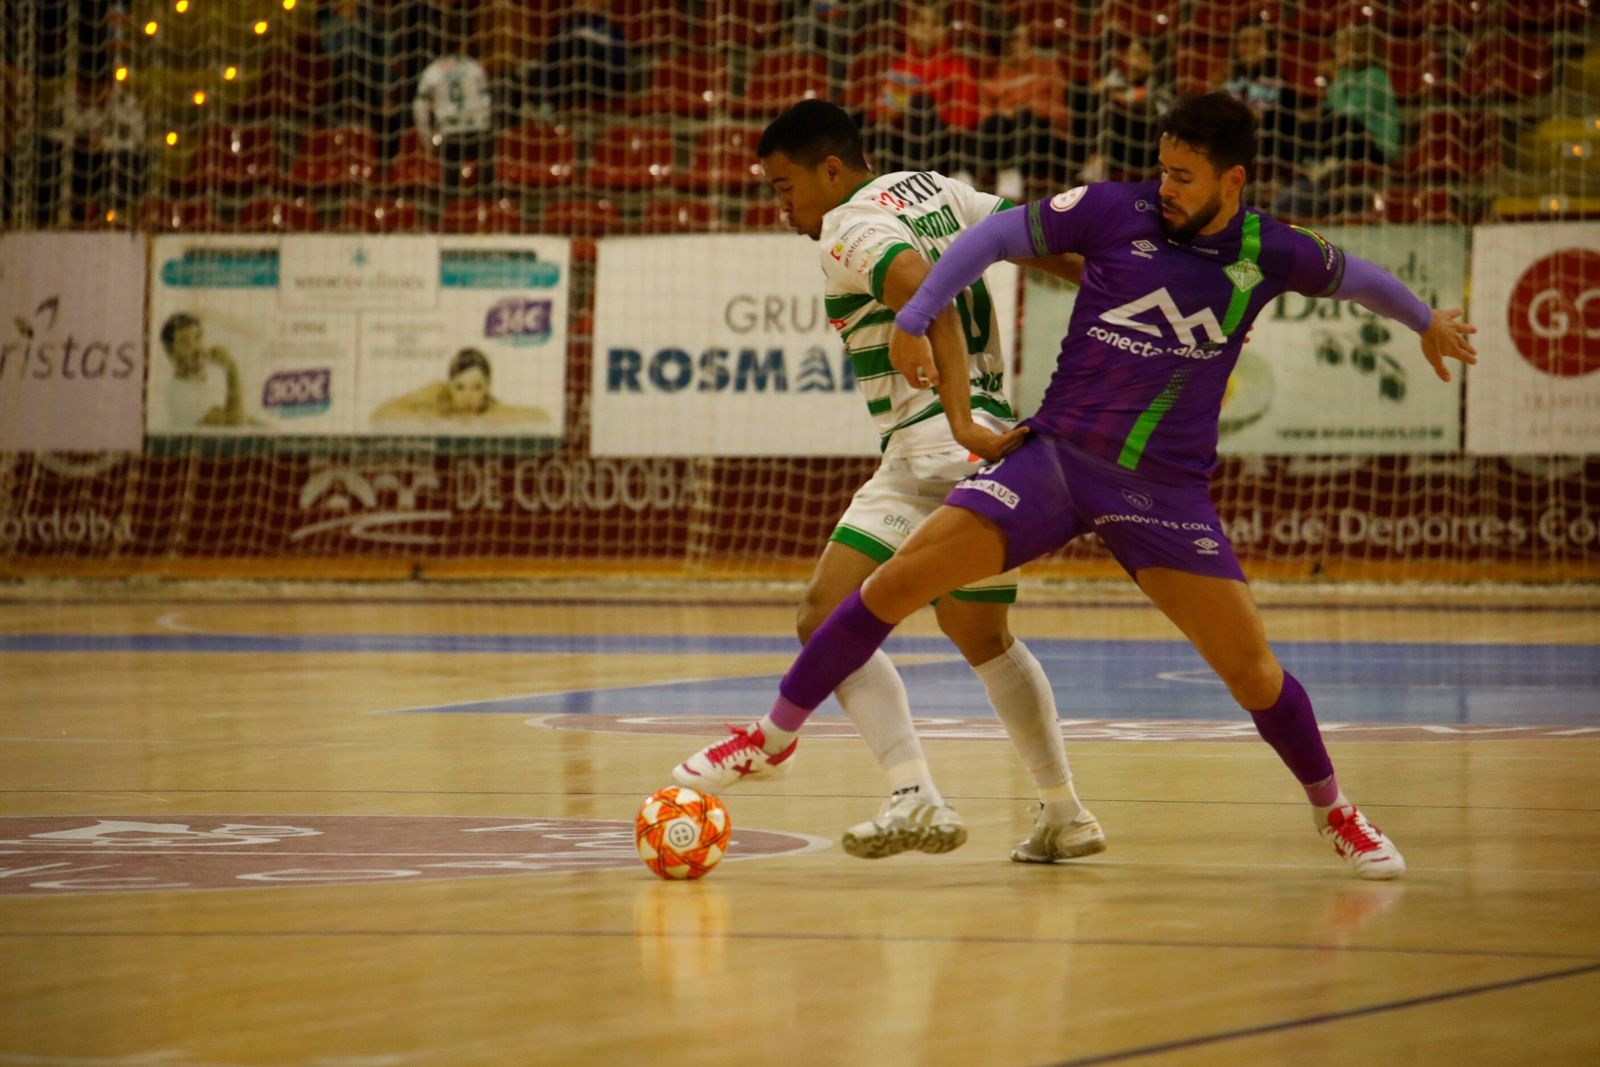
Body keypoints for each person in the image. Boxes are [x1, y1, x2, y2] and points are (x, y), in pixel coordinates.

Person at [677, 92, 1479, 879]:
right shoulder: (1109, 209)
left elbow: (1360, 276)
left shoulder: (1271, 250)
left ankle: (1333, 810)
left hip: (1163, 491)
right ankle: (776, 734)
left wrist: (1424, 320)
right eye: (1162, 168)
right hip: (1054, 460)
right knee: (887, 589)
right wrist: (919, 313)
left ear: (1233, 182)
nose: (1166, 187)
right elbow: (991, 236)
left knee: (1253, 673)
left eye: (1186, 176)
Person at [673, 99, 1098, 863]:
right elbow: (1045, 240)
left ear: (829, 170)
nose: (782, 207)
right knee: (982, 635)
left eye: (783, 187)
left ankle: (907, 790)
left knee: (823, 617)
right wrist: (1115, 296)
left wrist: (959, 415)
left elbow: (919, 286)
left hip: (936, 451)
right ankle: (1065, 811)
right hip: (979, 454)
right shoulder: (938, 187)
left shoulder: (849, 225)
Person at [864, 1, 980, 177]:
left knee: (921, 104)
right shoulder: (898, 68)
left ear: (943, 31)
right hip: (903, 141)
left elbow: (966, 117)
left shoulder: (957, 67)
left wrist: (930, 102)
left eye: (933, 23)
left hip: (943, 143)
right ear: (910, 28)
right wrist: (894, 112)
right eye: (920, 22)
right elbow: (879, 111)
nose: (926, 28)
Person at [975, 19, 1071, 199]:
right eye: (1018, 39)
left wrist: (1028, 107)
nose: (1025, 44)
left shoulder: (1048, 67)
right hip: (1003, 141)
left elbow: (1061, 114)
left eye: (1026, 38)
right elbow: (983, 117)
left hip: (1044, 142)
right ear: (1005, 43)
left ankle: (1012, 175)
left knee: (1025, 117)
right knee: (997, 122)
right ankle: (1006, 174)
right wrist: (1003, 112)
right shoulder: (992, 77)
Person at [371, 347, 552, 426]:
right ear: (450, 386)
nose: (468, 397)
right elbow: (379, 414)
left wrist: (480, 421)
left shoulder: (490, 408)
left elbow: (542, 417)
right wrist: (436, 417)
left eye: (477, 387)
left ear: (488, 387)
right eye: (460, 387)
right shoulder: (437, 393)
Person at [1079, 34, 1174, 183]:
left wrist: (1113, 94)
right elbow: (1094, 89)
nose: (1131, 61)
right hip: (1120, 148)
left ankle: (1096, 165)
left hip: (1148, 148)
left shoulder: (1163, 86)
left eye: (1138, 54)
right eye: (1129, 54)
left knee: (1112, 110)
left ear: (1153, 59)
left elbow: (1143, 103)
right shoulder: (1121, 77)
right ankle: (1094, 160)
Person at [1219, 20, 1299, 180]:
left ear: (1269, 47)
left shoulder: (1280, 85)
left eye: (1256, 41)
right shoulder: (1228, 84)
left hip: (1266, 154)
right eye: (1244, 41)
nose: (1250, 47)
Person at [413, 38, 493, 191]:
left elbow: (419, 108)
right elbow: (486, 101)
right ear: (461, 44)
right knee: (486, 184)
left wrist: (428, 140)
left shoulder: (432, 71)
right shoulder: (473, 67)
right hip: (478, 128)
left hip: (450, 131)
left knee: (451, 185)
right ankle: (487, 210)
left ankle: (451, 211)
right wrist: (487, 124)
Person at [158, 313, 248, 428]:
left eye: (197, 337)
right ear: (170, 352)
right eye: (185, 342)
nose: (196, 347)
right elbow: (235, 423)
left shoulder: (204, 384)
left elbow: (244, 418)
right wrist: (231, 369)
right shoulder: (179, 394)